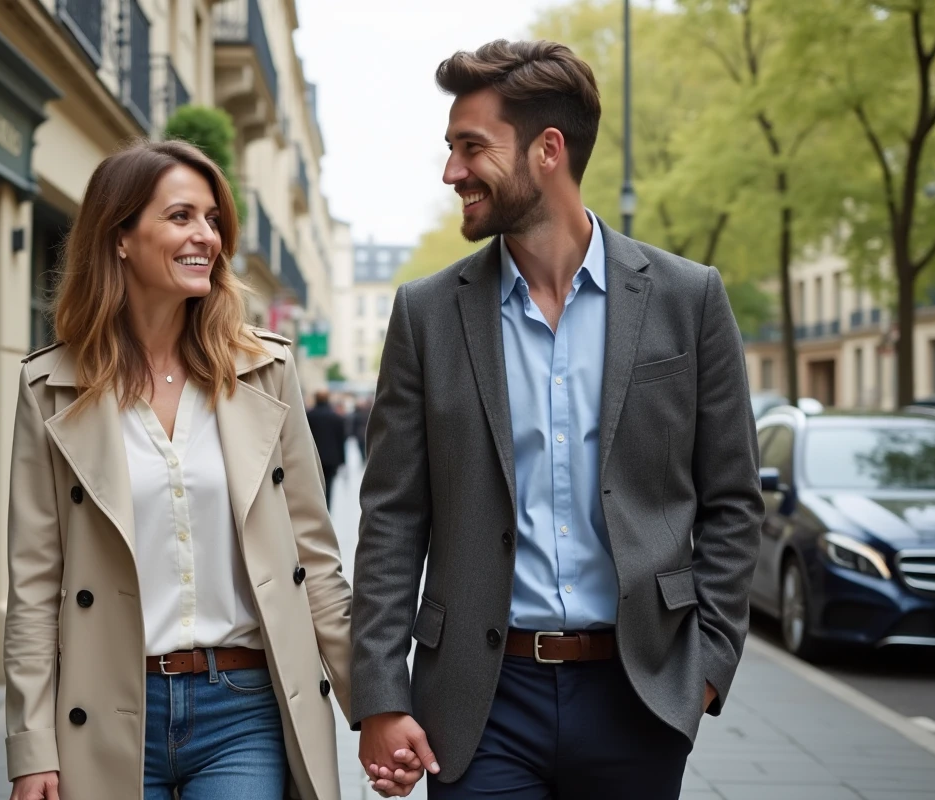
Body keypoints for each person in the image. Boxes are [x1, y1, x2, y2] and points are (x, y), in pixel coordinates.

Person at [351, 40, 763, 799]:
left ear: (549, 150)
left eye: (471, 148)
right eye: (450, 148)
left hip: (638, 694)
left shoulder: (688, 298)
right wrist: (379, 692)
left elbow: (733, 501)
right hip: (480, 702)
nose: (451, 172)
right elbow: (391, 518)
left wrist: (706, 670)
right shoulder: (426, 314)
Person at [2, 141, 406, 800]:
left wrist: (376, 708)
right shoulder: (51, 386)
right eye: (182, 216)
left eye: (213, 219)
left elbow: (315, 562)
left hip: (241, 709)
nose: (207, 237)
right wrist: (31, 746)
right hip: (103, 709)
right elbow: (35, 586)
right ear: (121, 238)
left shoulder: (265, 372)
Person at [306, 390, 349, 508]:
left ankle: (318, 510)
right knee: (329, 487)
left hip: (313, 458)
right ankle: (327, 511)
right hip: (331, 459)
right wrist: (343, 461)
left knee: (315, 488)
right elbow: (341, 441)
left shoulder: (309, 416)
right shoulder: (336, 418)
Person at [350, 397, 371, 464]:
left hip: (361, 433)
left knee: (362, 447)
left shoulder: (359, 414)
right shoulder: (366, 413)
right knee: (363, 447)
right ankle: (364, 458)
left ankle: (364, 458)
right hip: (362, 433)